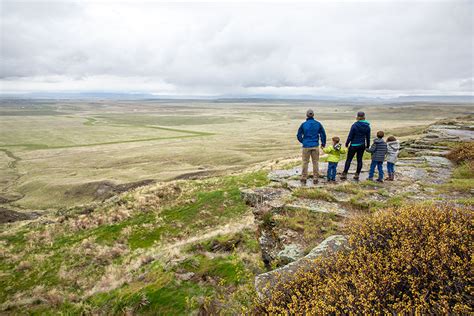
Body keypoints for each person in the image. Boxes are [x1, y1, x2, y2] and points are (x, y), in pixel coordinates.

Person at [297, 109, 327, 185]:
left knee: (305, 162)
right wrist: (323, 143)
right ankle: (315, 178)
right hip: (315, 145)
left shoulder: (303, 124)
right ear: (313, 115)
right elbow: (323, 134)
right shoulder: (318, 124)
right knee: (315, 162)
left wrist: (303, 141)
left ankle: (304, 178)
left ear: (307, 115)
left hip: (306, 146)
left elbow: (299, 135)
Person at [341, 111, 371, 181]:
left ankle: (344, 173)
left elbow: (350, 136)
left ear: (357, 117)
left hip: (353, 145)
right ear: (364, 117)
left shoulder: (354, 125)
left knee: (349, 159)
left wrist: (346, 143)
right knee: (359, 160)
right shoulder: (367, 126)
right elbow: (368, 137)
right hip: (362, 145)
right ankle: (357, 174)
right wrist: (367, 146)